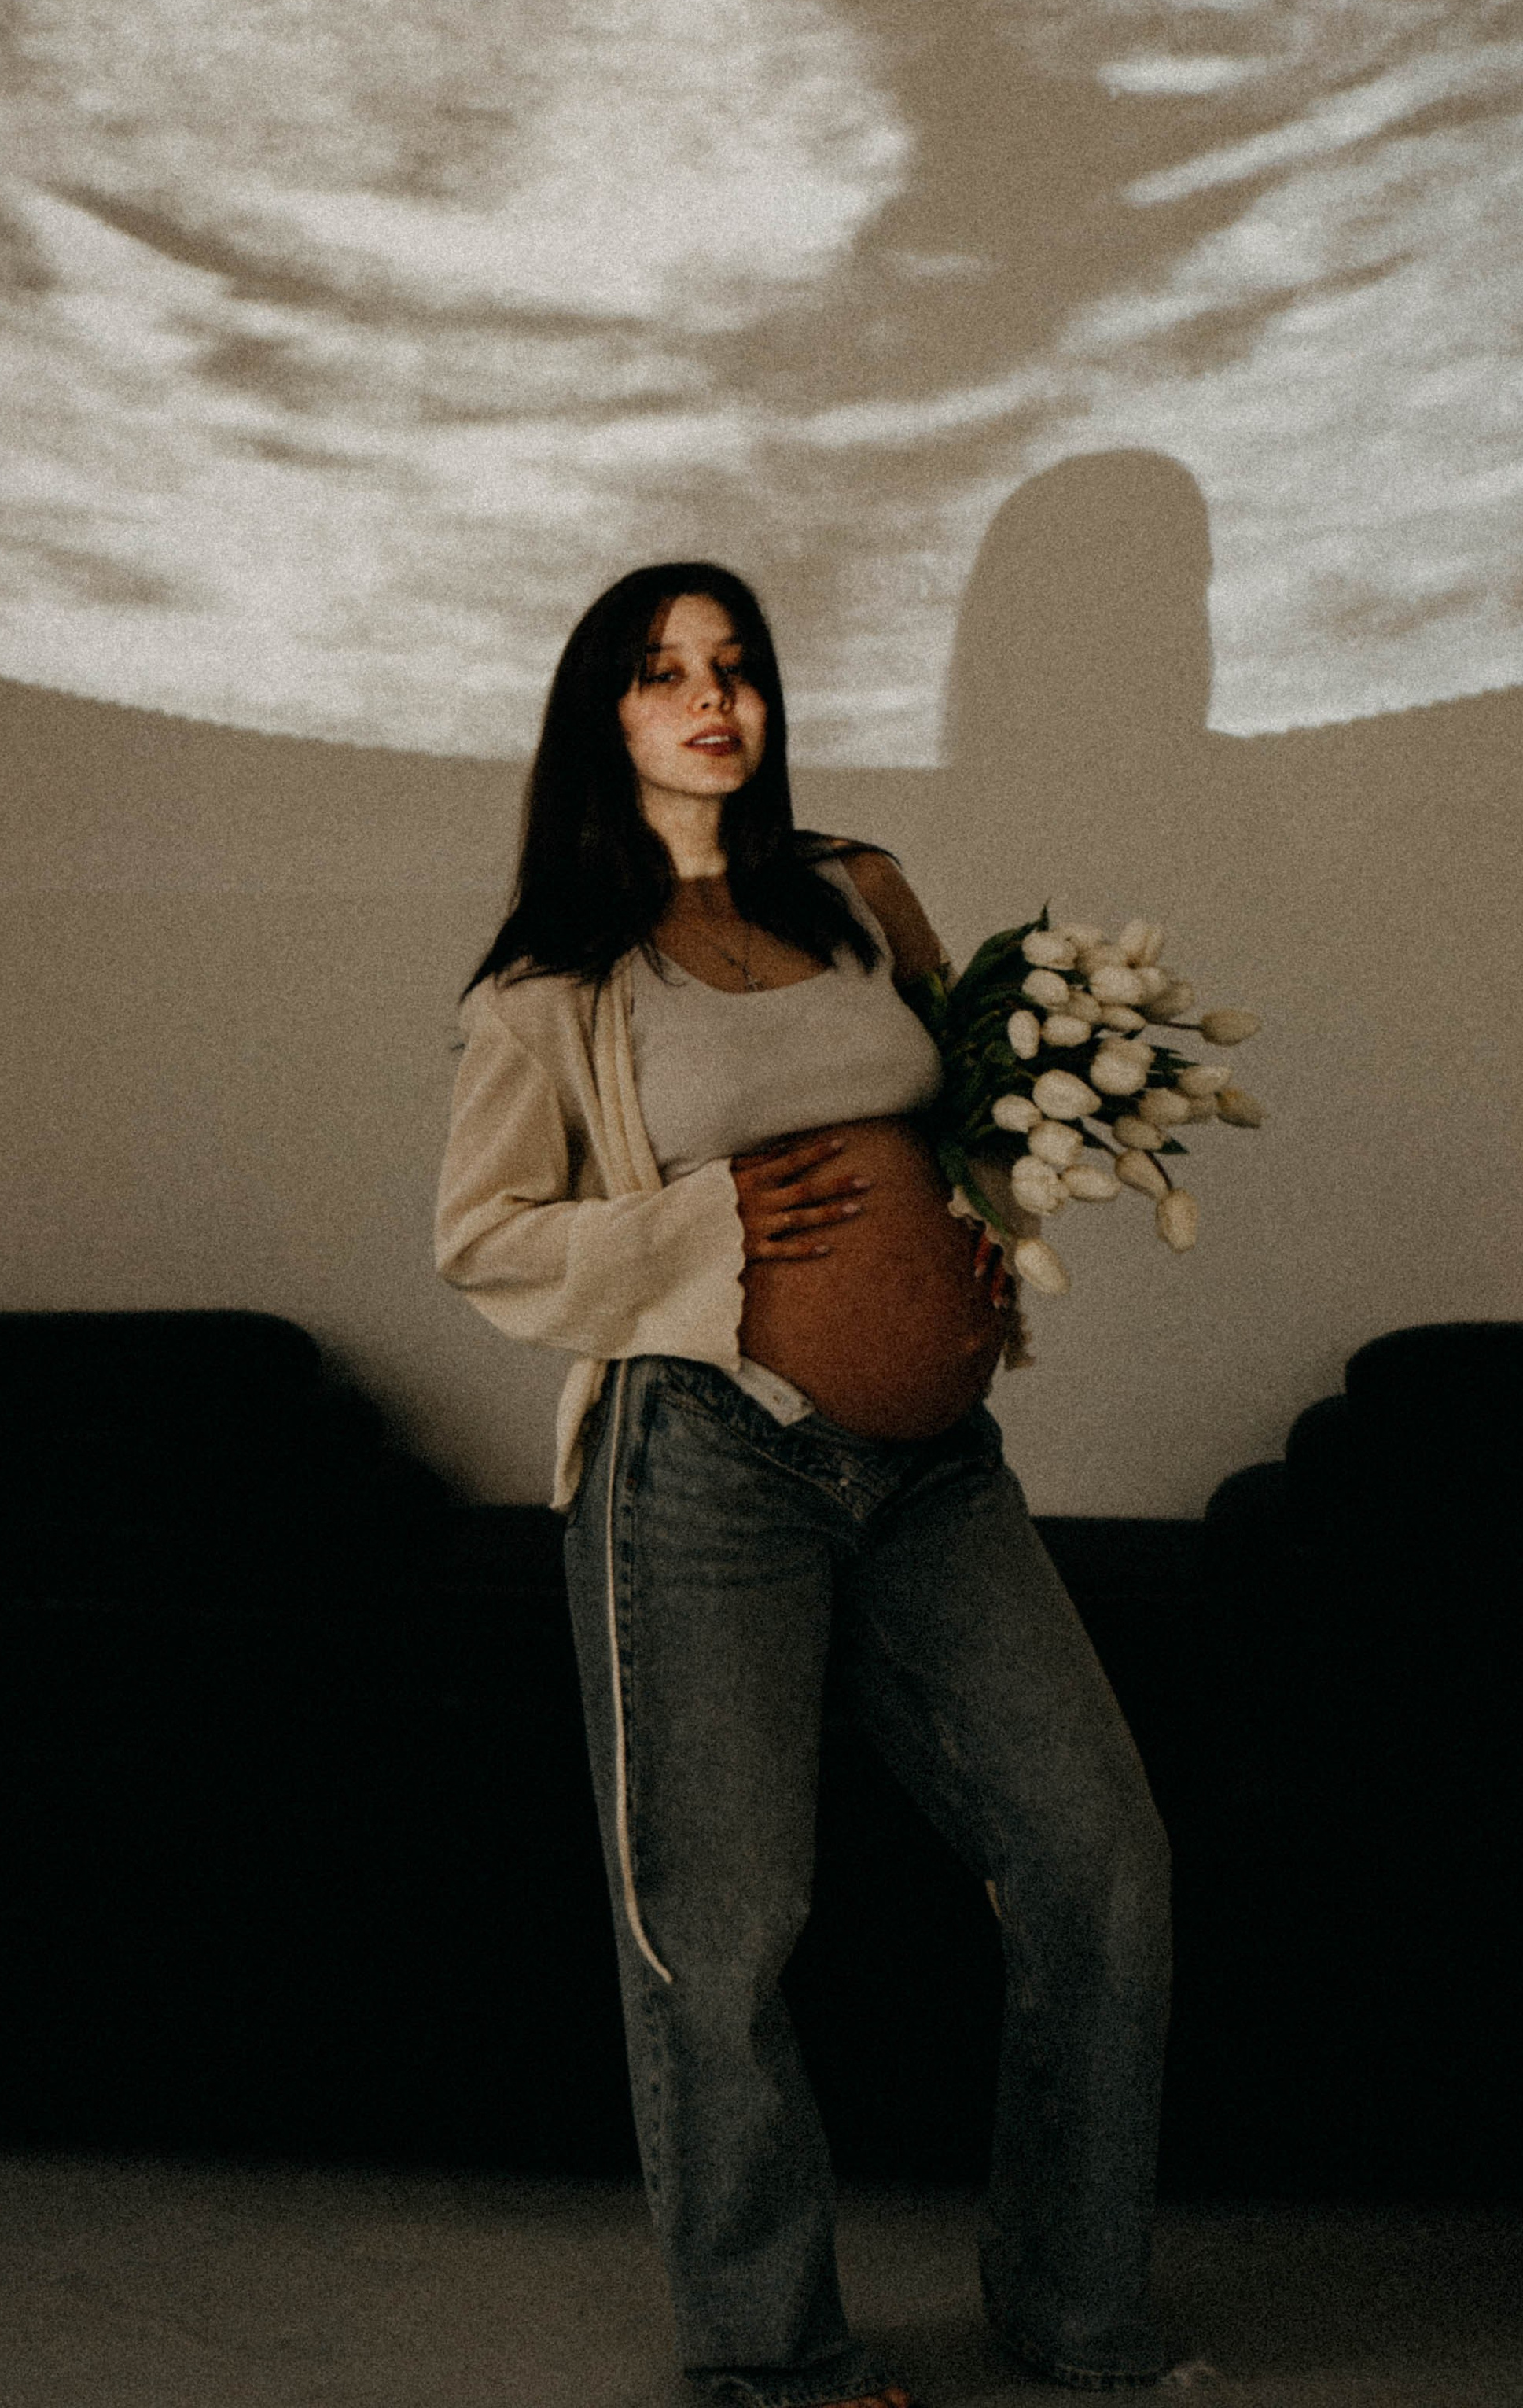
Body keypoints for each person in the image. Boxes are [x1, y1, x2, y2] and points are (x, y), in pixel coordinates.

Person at [435, 562, 1180, 2406]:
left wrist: (979, 1241)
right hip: (704, 1470)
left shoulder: (858, 892)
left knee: (1094, 1855)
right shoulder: (555, 979)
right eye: (663, 673)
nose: (710, 700)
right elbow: (484, 1238)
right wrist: (703, 1225)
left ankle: (1073, 2313)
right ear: (600, 717)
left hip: (934, 1470)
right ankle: (769, 2362)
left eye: (736, 667)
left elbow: (966, 1107)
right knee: (722, 1926)